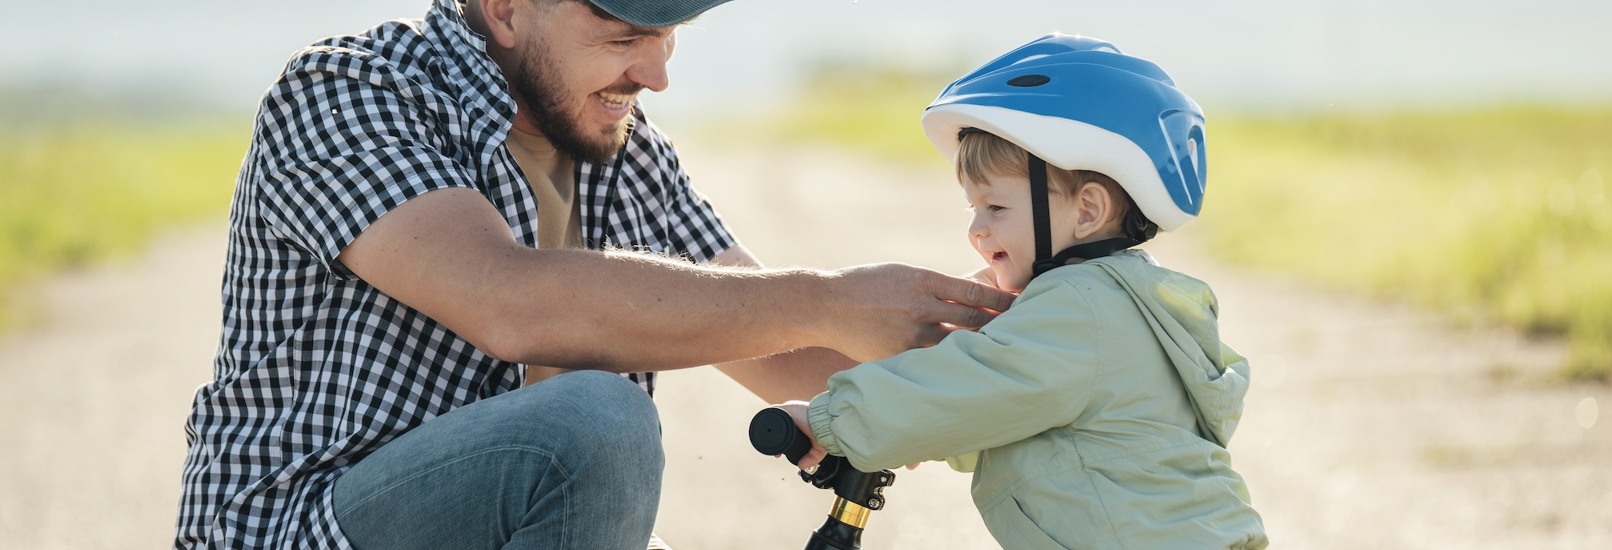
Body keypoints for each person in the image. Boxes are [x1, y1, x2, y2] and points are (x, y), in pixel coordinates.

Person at [172, 0, 1015, 548]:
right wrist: (828, 300)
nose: (657, 74)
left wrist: (1019, 356)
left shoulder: (627, 149)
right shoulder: (346, 90)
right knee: (598, 421)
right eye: (623, 38)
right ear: (506, 9)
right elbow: (506, 300)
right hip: (301, 529)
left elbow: (781, 340)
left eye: (667, 35)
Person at [771, 34, 1268, 549]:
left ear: (1087, 211)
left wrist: (831, 421)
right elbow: (993, 417)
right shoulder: (1127, 298)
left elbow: (969, 386)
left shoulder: (1079, 309)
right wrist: (907, 426)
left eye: (996, 208)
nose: (976, 230)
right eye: (972, 208)